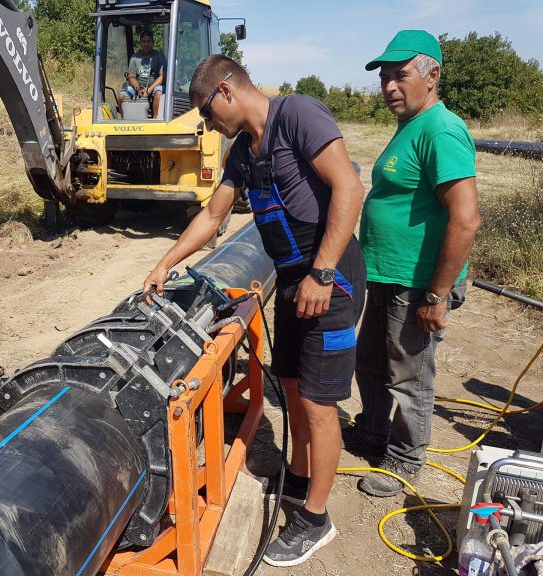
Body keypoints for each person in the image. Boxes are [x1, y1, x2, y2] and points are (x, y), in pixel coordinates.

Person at [142, 55, 366, 567]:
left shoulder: (298, 116)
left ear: (225, 91)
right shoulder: (243, 152)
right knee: (289, 384)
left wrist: (324, 272)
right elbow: (213, 216)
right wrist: (164, 262)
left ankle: (315, 519)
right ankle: (303, 477)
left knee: (317, 401)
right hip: (292, 278)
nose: (207, 125)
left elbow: (349, 189)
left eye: (205, 112)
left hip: (330, 275)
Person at [345, 30, 481, 497]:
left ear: (432, 75)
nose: (389, 87)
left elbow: (465, 220)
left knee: (408, 374)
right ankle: (372, 431)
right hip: (387, 274)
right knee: (371, 362)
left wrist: (437, 295)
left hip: (418, 281)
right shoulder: (411, 128)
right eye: (384, 77)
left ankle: (405, 459)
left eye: (400, 75)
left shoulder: (441, 130)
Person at [118, 29, 166, 119]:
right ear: (140, 43)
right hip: (138, 88)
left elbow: (163, 76)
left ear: (153, 43)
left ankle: (155, 120)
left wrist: (150, 89)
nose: (146, 44)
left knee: (159, 92)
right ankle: (123, 118)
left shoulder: (159, 56)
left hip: (154, 87)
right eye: (143, 41)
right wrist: (138, 87)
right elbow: (131, 76)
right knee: (121, 96)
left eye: (148, 41)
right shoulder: (135, 57)